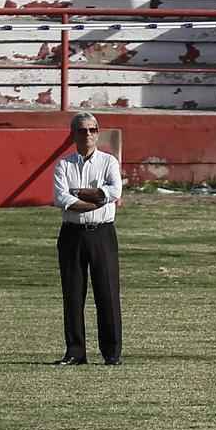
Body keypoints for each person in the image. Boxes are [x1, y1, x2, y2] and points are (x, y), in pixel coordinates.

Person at [51, 112, 123, 366]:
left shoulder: (108, 162)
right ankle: (75, 351)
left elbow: (114, 191)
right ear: (74, 134)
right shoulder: (63, 165)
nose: (88, 134)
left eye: (93, 130)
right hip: (72, 234)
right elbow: (63, 199)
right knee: (72, 294)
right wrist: (97, 199)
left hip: (102, 233)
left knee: (108, 294)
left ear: (98, 132)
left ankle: (112, 353)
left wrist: (82, 195)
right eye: (83, 130)